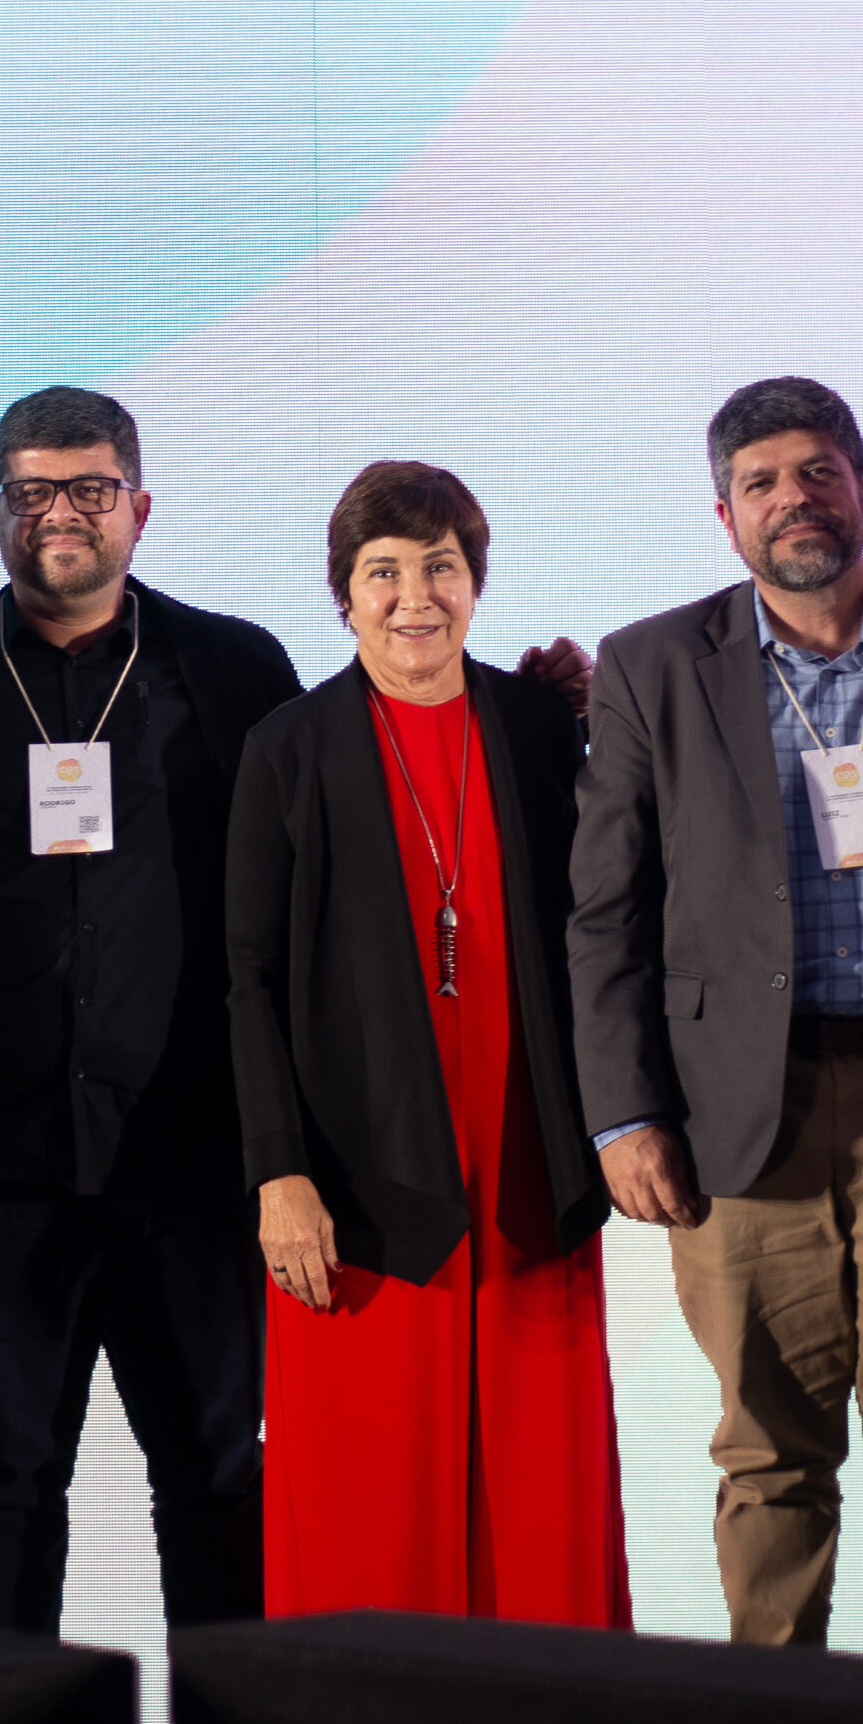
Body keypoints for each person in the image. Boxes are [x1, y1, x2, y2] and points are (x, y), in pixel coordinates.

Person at [567, 377, 863, 1662]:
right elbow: (603, 912)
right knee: (768, 1456)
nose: (794, 499)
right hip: (736, 1112)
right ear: (724, 517)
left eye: (819, 471)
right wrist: (623, 1114)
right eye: (761, 482)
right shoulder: (650, 665)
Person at [0, 386, 301, 1633]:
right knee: (4, 1475)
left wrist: (528, 710)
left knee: (216, 1473)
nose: (60, 513)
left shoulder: (235, 667)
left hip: (190, 1160)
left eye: (90, 489)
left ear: (140, 507)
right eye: (32, 492)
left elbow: (323, 846)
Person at [226, 461, 630, 1624]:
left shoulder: (536, 725)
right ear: (343, 592)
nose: (415, 598)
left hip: (526, 1159)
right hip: (359, 1183)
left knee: (539, 1497)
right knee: (368, 1505)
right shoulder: (289, 746)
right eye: (384, 571)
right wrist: (277, 1174)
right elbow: (246, 979)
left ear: (476, 580)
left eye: (440, 566)